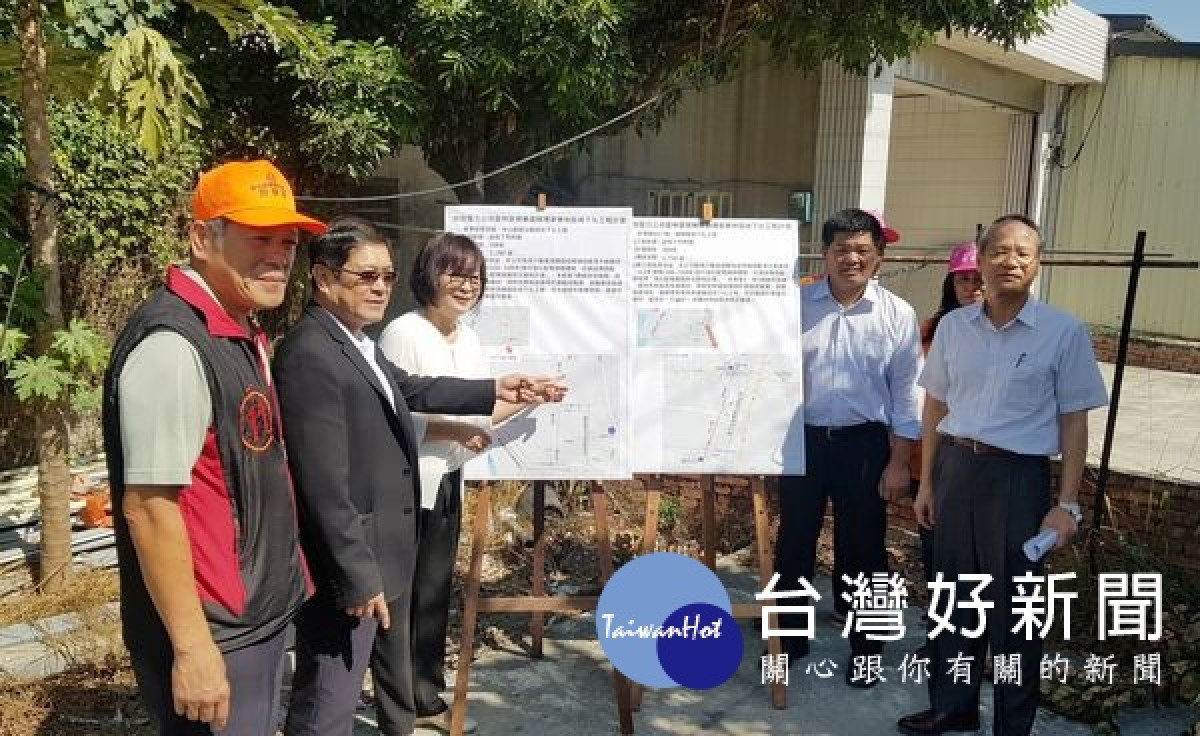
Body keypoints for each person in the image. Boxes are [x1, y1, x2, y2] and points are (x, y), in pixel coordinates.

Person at [274, 217, 564, 736]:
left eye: (386, 276)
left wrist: (498, 388)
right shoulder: (311, 351)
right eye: (366, 276)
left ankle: (406, 712)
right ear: (323, 277)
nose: (380, 287)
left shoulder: (354, 341)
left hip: (389, 529)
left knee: (344, 687)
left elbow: (413, 388)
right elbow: (322, 483)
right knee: (326, 698)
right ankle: (397, 713)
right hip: (351, 555)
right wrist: (358, 574)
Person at [101, 159, 325, 735]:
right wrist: (193, 647)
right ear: (202, 239)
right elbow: (149, 509)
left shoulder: (237, 328)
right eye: (259, 238)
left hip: (252, 617)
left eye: (287, 242)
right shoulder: (173, 346)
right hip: (216, 632)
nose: (279, 255)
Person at [897, 215, 1107, 736]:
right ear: (982, 259)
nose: (1011, 261)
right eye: (1000, 251)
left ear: (1038, 264)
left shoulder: (1063, 332)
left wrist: (1067, 503)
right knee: (953, 598)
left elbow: (1074, 421)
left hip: (1018, 480)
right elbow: (935, 405)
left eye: (1023, 253)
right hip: (955, 469)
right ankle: (954, 706)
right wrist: (928, 484)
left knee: (1016, 612)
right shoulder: (953, 328)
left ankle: (1012, 725)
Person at [377, 233, 528, 733]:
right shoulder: (404, 333)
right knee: (404, 595)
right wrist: (452, 431)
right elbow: (392, 416)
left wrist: (529, 398)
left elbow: (477, 413)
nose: (467, 285)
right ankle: (400, 703)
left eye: (475, 277)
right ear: (430, 275)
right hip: (408, 482)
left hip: (445, 478)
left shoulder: (467, 338)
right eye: (456, 274)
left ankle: (425, 696)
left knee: (433, 591)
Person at [774, 208, 923, 686]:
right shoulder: (796, 306)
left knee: (865, 550)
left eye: (862, 250)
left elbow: (907, 395)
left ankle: (867, 650)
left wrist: (899, 462)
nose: (851, 259)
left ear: (879, 256)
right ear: (825, 253)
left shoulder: (897, 314)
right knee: (794, 542)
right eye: (841, 249)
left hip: (864, 445)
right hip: (802, 440)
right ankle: (789, 641)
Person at [908, 242, 984, 594]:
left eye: (978, 279)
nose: (971, 287)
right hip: (931, 449)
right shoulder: (932, 329)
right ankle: (941, 614)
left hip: (977, 453)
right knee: (934, 540)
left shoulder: (1005, 333)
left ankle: (972, 614)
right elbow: (921, 394)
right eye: (962, 280)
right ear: (950, 285)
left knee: (976, 547)